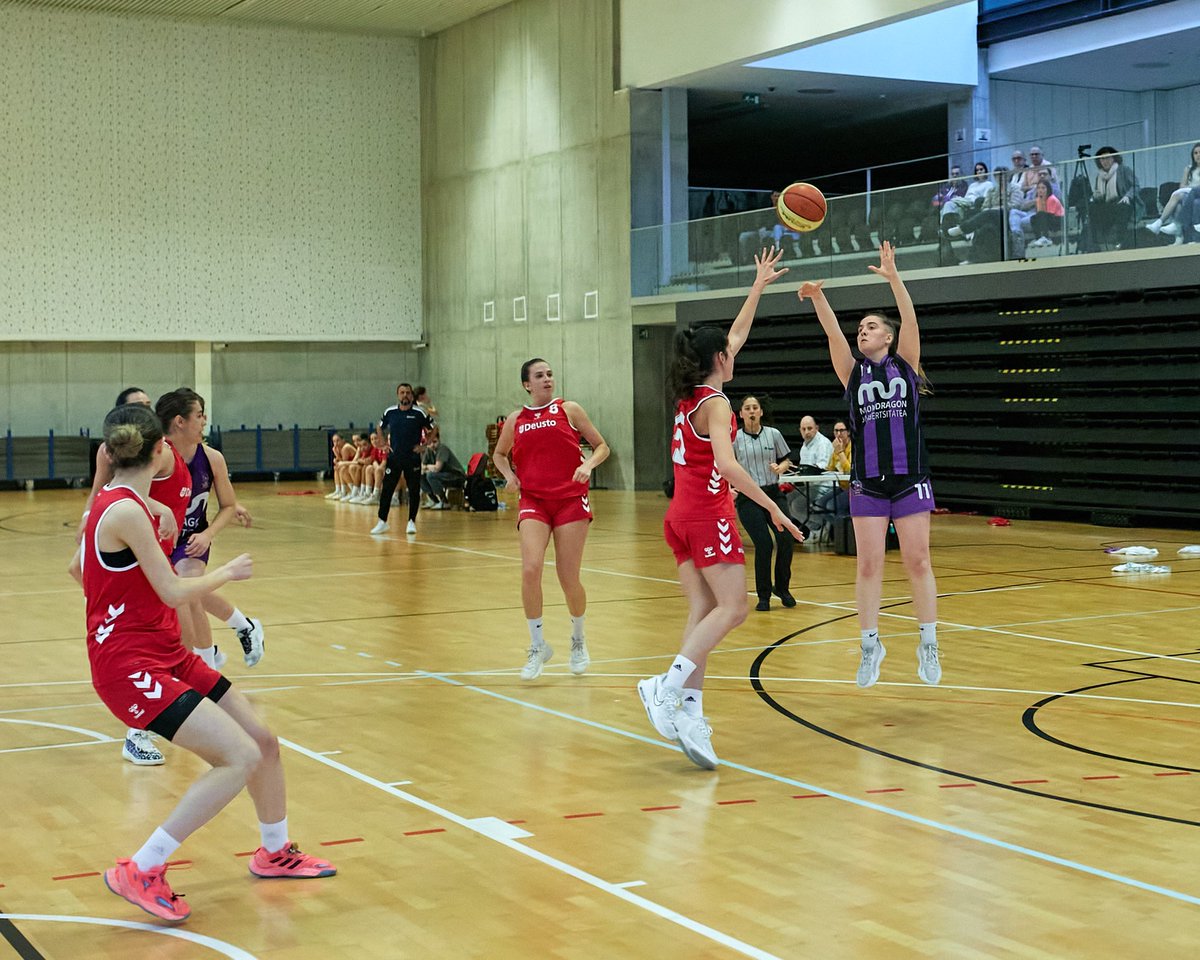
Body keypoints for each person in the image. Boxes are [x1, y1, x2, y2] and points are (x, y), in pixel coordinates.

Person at [75, 403, 334, 924]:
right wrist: (227, 575)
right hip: (129, 665)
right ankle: (142, 869)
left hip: (164, 651)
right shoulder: (124, 510)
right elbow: (172, 591)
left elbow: (78, 569)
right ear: (157, 449)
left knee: (262, 743)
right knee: (236, 756)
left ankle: (273, 851)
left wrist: (130, 577)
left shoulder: (127, 505)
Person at [637, 248, 803, 770]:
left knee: (704, 612)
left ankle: (688, 710)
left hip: (679, 517)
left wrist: (757, 285)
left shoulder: (692, 393)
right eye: (729, 352)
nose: (736, 352)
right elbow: (731, 468)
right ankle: (666, 685)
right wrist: (772, 509)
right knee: (734, 608)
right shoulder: (718, 404)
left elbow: (735, 335)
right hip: (708, 514)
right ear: (720, 362)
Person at [75, 387, 262, 767]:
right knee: (178, 602)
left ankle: (225, 649)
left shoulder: (204, 456)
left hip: (179, 541)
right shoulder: (148, 455)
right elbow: (110, 491)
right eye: (137, 408)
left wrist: (211, 520)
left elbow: (221, 501)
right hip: (140, 544)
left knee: (184, 614)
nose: (204, 421)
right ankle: (141, 726)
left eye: (146, 407)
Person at [797, 242, 940, 690]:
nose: (863, 330)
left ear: (888, 338)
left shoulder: (906, 364)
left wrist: (894, 277)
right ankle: (869, 644)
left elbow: (911, 319)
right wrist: (819, 297)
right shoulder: (853, 372)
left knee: (917, 561)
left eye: (871, 326)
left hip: (910, 476)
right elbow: (833, 337)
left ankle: (929, 642)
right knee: (867, 565)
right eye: (861, 326)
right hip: (868, 483)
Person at [491, 360, 610, 680]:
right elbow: (499, 455)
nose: (547, 379)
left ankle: (578, 639)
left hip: (570, 499)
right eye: (539, 376)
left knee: (567, 576)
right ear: (526, 385)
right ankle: (537, 645)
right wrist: (510, 476)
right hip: (534, 500)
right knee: (530, 569)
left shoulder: (569, 410)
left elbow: (602, 447)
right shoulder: (516, 419)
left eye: (549, 374)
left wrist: (588, 465)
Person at [157, 388, 266, 673]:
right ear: (180, 421)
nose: (205, 420)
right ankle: (239, 629)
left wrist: (208, 535)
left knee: (188, 589)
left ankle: (204, 670)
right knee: (173, 599)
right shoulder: (158, 456)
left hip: (193, 538)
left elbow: (228, 505)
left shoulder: (212, 458)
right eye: (199, 415)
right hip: (158, 540)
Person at [731, 395, 795, 611]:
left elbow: (787, 459)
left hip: (772, 494)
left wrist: (782, 467)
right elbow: (725, 468)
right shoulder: (735, 439)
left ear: (760, 412)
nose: (751, 411)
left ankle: (782, 588)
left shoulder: (773, 434)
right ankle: (764, 595)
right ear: (740, 413)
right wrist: (730, 488)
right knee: (764, 543)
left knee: (786, 538)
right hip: (749, 498)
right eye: (747, 408)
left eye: (754, 407)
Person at [371, 383, 433, 536]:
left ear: (411, 395)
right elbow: (379, 427)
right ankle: (382, 521)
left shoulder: (420, 413)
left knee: (413, 489)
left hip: (412, 458)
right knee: (387, 489)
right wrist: (383, 443)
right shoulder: (390, 412)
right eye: (402, 392)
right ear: (398, 395)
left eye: (407, 392)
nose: (405, 395)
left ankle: (411, 521)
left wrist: (424, 446)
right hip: (394, 457)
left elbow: (433, 428)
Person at [1089, 146, 1141, 249]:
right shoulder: (1099, 176)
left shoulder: (1123, 170)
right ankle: (1095, 244)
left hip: (1122, 202)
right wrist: (1095, 196)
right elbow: (1098, 192)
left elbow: (1136, 186)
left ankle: (1120, 241)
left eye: (1108, 158)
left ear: (1113, 158)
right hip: (1107, 205)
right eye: (1102, 159)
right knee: (1092, 208)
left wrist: (1127, 196)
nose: (1105, 161)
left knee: (1122, 208)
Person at [1146, 142, 1200, 241]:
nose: (1198, 155)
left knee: (1190, 200)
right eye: (1195, 153)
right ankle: (1178, 236)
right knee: (1179, 200)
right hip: (1189, 195)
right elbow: (1182, 185)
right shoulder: (1188, 169)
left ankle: (1174, 226)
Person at [420, 426, 466, 508]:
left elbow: (437, 468)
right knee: (420, 476)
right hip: (443, 475)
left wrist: (427, 467)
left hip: (456, 476)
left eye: (435, 442)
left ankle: (444, 501)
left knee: (430, 476)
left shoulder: (442, 449)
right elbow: (422, 467)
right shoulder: (428, 451)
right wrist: (428, 467)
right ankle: (434, 500)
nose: (432, 445)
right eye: (430, 443)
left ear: (439, 440)